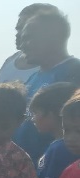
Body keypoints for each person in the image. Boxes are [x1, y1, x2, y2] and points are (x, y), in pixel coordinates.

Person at [15, 9, 80, 168]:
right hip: (27, 172)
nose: (22, 45)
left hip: (58, 172)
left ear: (54, 37)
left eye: (28, 38)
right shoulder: (33, 78)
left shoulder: (74, 72)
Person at [0, 3, 60, 85]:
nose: (18, 34)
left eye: (25, 29)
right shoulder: (9, 62)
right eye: (18, 29)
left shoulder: (62, 70)